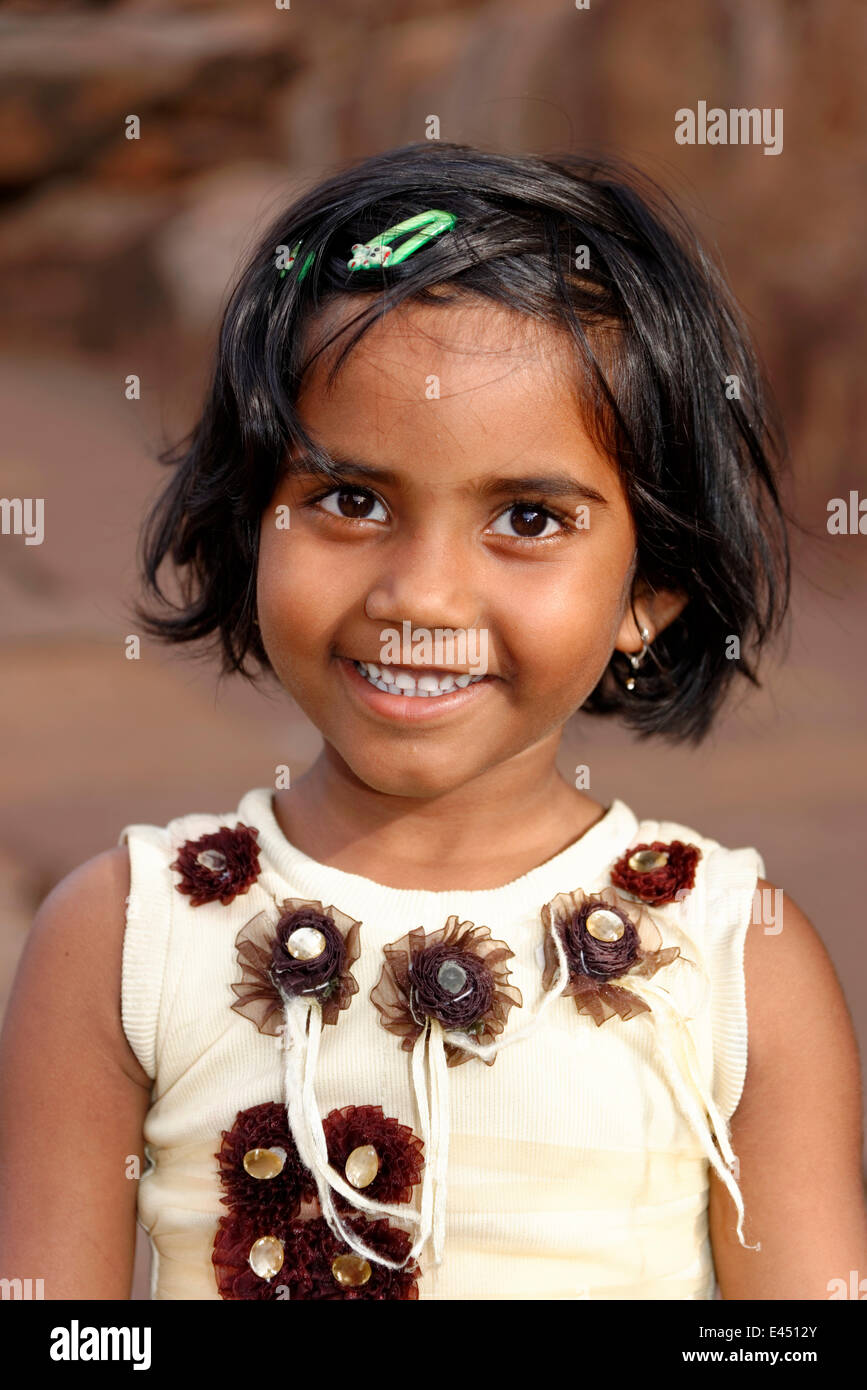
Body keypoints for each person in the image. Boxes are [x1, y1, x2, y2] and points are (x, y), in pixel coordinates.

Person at [1, 142, 865, 1301]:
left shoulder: (732, 959)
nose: (420, 594)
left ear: (649, 590)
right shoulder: (123, 941)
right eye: (349, 500)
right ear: (252, 518)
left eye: (526, 517)